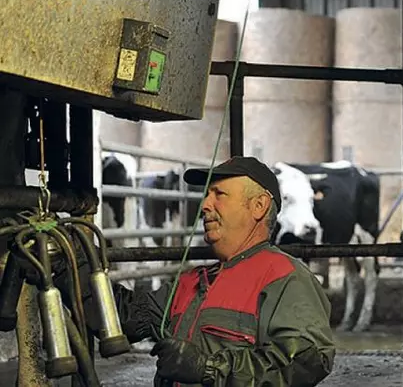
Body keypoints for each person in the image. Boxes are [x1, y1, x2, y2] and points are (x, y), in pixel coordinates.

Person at [56, 156, 336, 386]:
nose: (204, 206)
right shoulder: (192, 281)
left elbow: (306, 361)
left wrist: (209, 368)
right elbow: (127, 318)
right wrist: (67, 269)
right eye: (206, 195)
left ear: (258, 206)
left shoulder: (284, 277)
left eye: (219, 194)